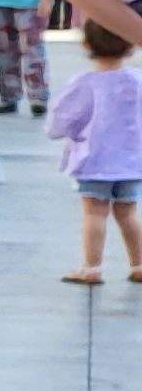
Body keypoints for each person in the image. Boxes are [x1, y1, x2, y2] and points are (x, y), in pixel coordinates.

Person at [48, 21, 142, 284]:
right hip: (132, 162)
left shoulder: (85, 83)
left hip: (95, 160)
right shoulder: (137, 80)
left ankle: (91, 268)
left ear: (86, 44)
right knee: (128, 213)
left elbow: (64, 117)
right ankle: (138, 264)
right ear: (132, 45)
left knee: (94, 213)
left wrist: (57, 131)